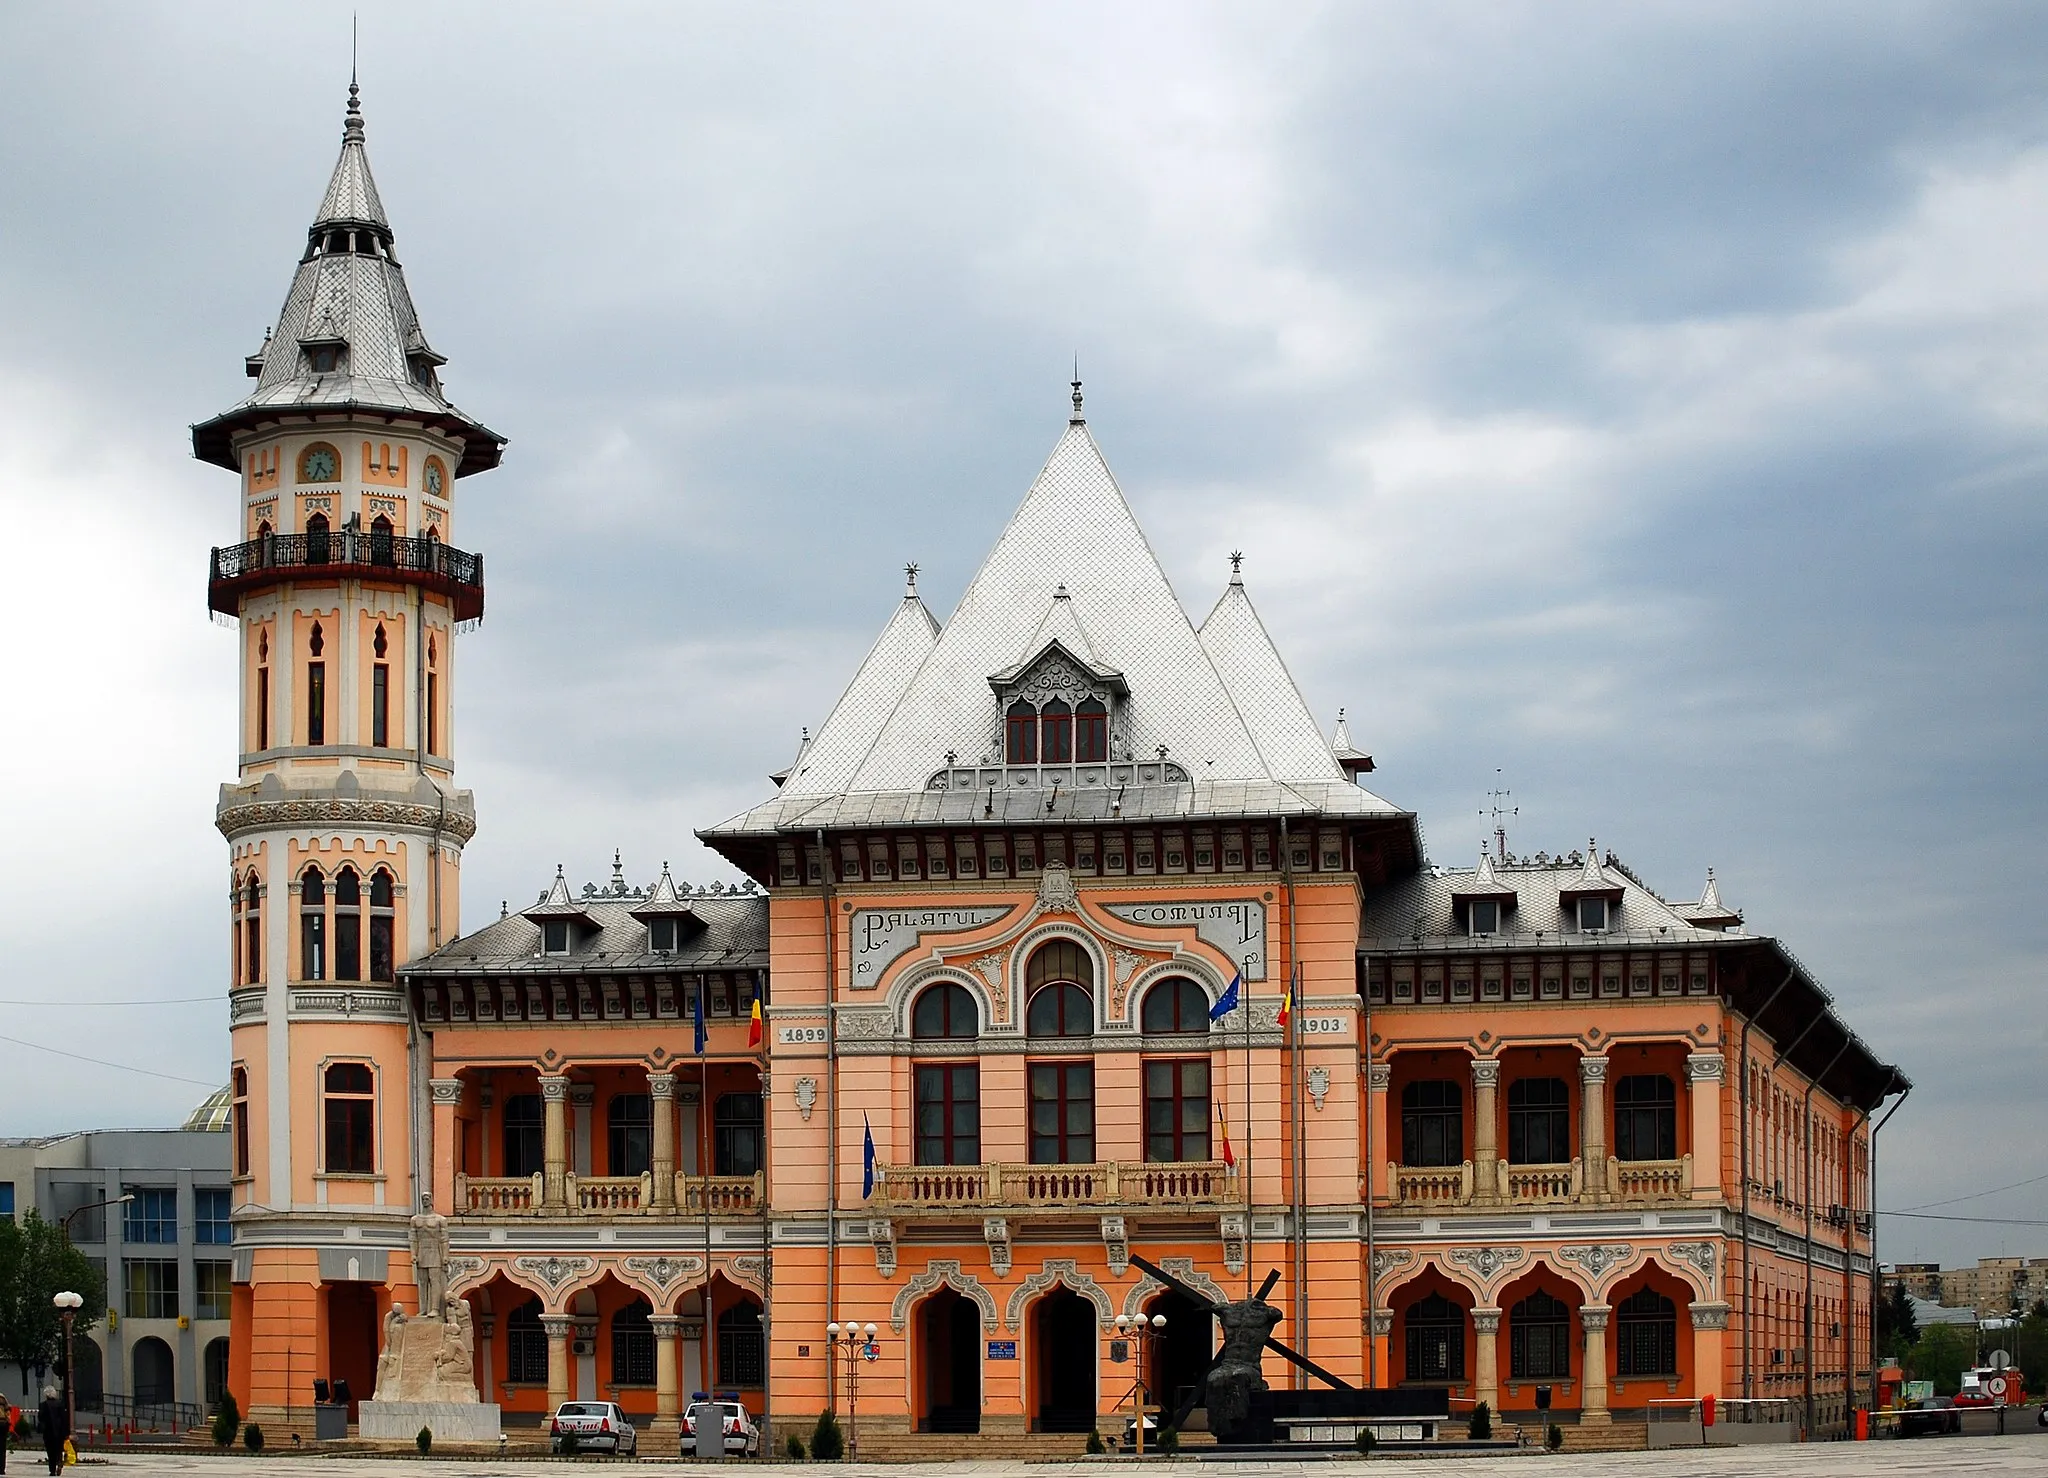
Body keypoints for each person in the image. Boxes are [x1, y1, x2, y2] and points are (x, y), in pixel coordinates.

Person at [35, 1388, 65, 1477]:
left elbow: (40, 1418)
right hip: (59, 1431)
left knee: (50, 1451)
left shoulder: (43, 1405)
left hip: (48, 1431)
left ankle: (52, 1470)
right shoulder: (60, 1404)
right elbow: (64, 1418)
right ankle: (59, 1462)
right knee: (59, 1448)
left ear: (46, 1395)